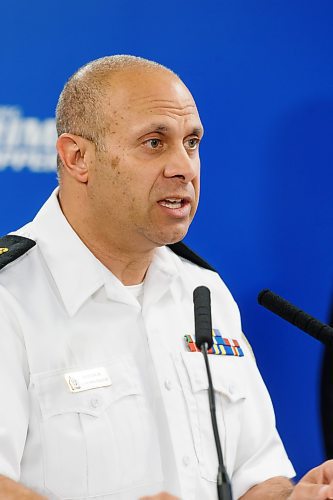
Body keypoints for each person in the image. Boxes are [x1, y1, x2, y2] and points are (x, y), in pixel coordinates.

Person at [0, 55, 332, 500]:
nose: (184, 167)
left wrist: (295, 498)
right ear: (77, 157)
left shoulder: (204, 292)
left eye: (191, 142)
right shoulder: (10, 296)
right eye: (155, 143)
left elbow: (258, 475)